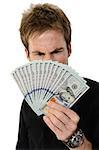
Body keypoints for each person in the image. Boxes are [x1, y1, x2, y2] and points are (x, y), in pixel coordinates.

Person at [16, 3, 99, 150]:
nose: (49, 63)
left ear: (69, 49)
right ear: (28, 55)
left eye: (56, 51)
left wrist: (74, 138)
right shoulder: (28, 104)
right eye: (40, 54)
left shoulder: (96, 96)